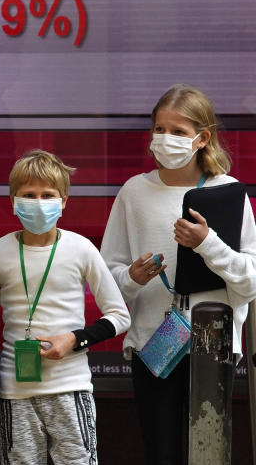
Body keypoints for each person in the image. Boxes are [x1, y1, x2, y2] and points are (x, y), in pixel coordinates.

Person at [101, 84, 256, 464]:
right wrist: (133, 278)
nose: (164, 139)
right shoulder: (134, 191)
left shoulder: (229, 192)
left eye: (178, 132)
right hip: (153, 342)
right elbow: (108, 276)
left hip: (211, 343)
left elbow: (250, 280)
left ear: (202, 138)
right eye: (159, 129)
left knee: (208, 450)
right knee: (161, 450)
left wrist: (208, 243)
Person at [0, 150, 130, 464]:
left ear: (63, 201)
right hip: (14, 390)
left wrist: (74, 339)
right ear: (13, 201)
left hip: (71, 387)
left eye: (47, 195)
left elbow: (119, 316)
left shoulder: (81, 248)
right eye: (28, 195)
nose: (38, 202)